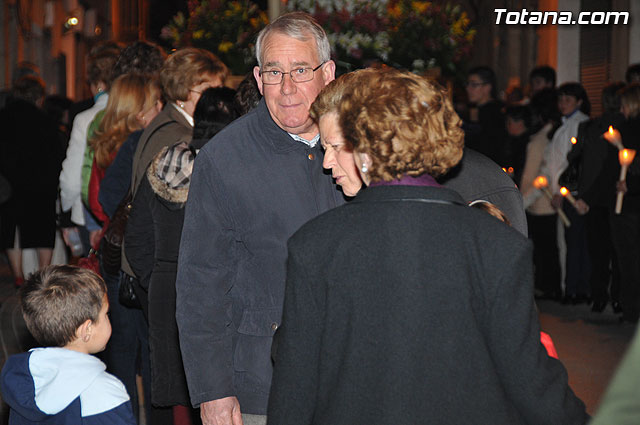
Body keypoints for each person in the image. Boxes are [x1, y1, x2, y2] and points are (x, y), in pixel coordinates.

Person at [268, 68, 588, 425]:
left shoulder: (316, 243)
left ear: (367, 147)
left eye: (337, 146)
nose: (327, 163)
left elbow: (293, 394)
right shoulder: (496, 245)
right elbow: (533, 386)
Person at [175, 12, 342, 425]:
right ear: (257, 77)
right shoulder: (225, 158)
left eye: (300, 70)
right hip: (261, 386)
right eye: (273, 72)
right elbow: (200, 282)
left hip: (352, 376)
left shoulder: (361, 145)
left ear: (328, 74)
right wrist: (213, 390)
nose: (286, 88)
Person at [125, 87, 238, 424]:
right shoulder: (232, 168)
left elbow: (138, 236)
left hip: (166, 288)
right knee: (217, 389)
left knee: (165, 391)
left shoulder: (163, 162)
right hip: (220, 290)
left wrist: (156, 278)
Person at [310, 69, 528, 236]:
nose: (326, 163)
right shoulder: (350, 195)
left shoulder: (479, 188)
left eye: (337, 146)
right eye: (324, 149)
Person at [0, 265, 136, 424]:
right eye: (106, 314)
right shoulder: (105, 392)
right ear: (87, 329)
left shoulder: (23, 377)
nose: (109, 318)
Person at [0, 75, 64, 287]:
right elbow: (57, 154)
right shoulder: (45, 121)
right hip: (40, 184)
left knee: (11, 229)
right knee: (42, 228)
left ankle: (18, 274)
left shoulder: (3, 117)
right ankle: (43, 272)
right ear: (39, 97)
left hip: (8, 183)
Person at [59, 43, 121, 256]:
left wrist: (65, 210)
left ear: (98, 83)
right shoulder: (135, 116)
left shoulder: (86, 119)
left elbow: (72, 177)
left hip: (90, 214)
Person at [572, 82, 626, 313]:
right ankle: (616, 297)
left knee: (599, 251)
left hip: (596, 194)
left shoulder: (593, 127)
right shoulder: (612, 127)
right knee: (616, 251)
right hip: (613, 195)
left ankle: (599, 295)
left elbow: (581, 160)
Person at [545, 82, 591, 303]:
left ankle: (575, 288)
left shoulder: (580, 125)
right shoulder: (563, 125)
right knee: (572, 240)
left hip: (572, 191)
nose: (562, 104)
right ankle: (573, 286)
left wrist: (558, 190)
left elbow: (566, 164)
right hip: (564, 190)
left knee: (575, 241)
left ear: (579, 102)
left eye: (568, 100)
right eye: (560, 100)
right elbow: (554, 162)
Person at [520, 89, 563, 300]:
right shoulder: (542, 134)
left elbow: (543, 171)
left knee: (547, 247)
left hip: (541, 199)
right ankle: (546, 284)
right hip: (534, 199)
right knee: (542, 246)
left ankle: (550, 285)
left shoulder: (548, 136)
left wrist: (525, 199)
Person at [610, 83, 640, 323]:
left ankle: (631, 308)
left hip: (630, 205)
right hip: (630, 202)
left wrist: (630, 185)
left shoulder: (630, 130)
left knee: (629, 259)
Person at [463, 65, 508, 167]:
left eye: (474, 85)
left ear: (487, 87)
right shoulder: (473, 110)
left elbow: (487, 146)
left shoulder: (495, 113)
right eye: (468, 84)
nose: (468, 89)